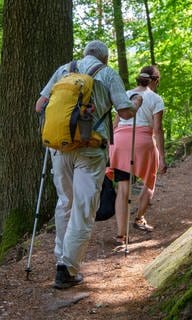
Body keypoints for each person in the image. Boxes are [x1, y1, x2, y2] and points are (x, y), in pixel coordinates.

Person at [35, 40, 142, 289]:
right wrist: (136, 101)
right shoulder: (107, 73)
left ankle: (61, 257)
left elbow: (39, 105)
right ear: (104, 58)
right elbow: (125, 112)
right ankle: (67, 269)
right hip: (91, 150)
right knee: (83, 207)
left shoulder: (64, 70)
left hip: (59, 148)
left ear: (84, 55)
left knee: (65, 202)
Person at [107, 65, 167, 245]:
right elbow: (157, 129)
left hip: (119, 142)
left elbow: (115, 122)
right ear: (155, 81)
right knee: (149, 180)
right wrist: (162, 157)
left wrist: (109, 145)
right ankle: (139, 218)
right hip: (143, 142)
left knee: (123, 188)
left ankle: (121, 234)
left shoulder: (125, 95)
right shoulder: (156, 98)